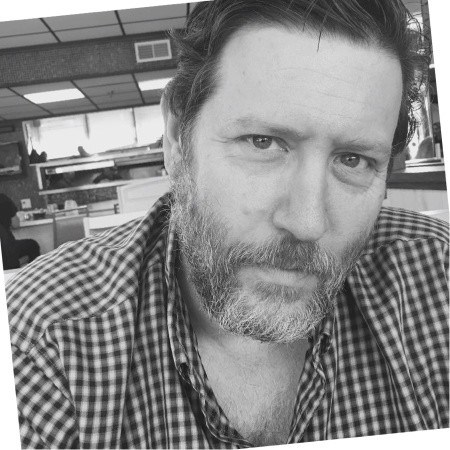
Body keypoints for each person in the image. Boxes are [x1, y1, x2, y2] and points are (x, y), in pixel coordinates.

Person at [6, 0, 448, 448]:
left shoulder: (438, 280)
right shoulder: (40, 347)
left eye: (353, 160)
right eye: (263, 142)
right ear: (177, 137)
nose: (308, 222)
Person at [0, 193, 40, 270]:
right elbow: (16, 224)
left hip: (5, 255)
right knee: (33, 245)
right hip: (7, 248)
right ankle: (33, 272)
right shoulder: (3, 199)